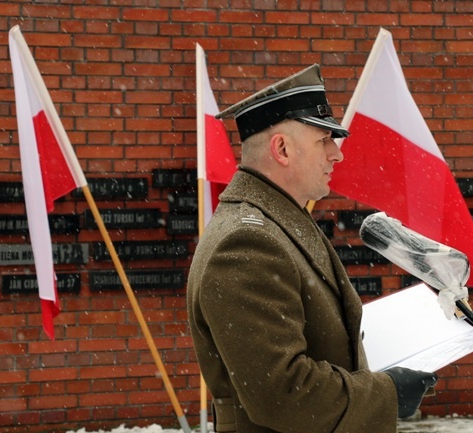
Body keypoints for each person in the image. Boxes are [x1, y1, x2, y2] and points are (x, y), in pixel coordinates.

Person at [187, 64, 437, 433]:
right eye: (324, 140)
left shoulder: (276, 221)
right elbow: (282, 393)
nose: (337, 155)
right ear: (282, 149)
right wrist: (387, 394)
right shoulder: (246, 243)